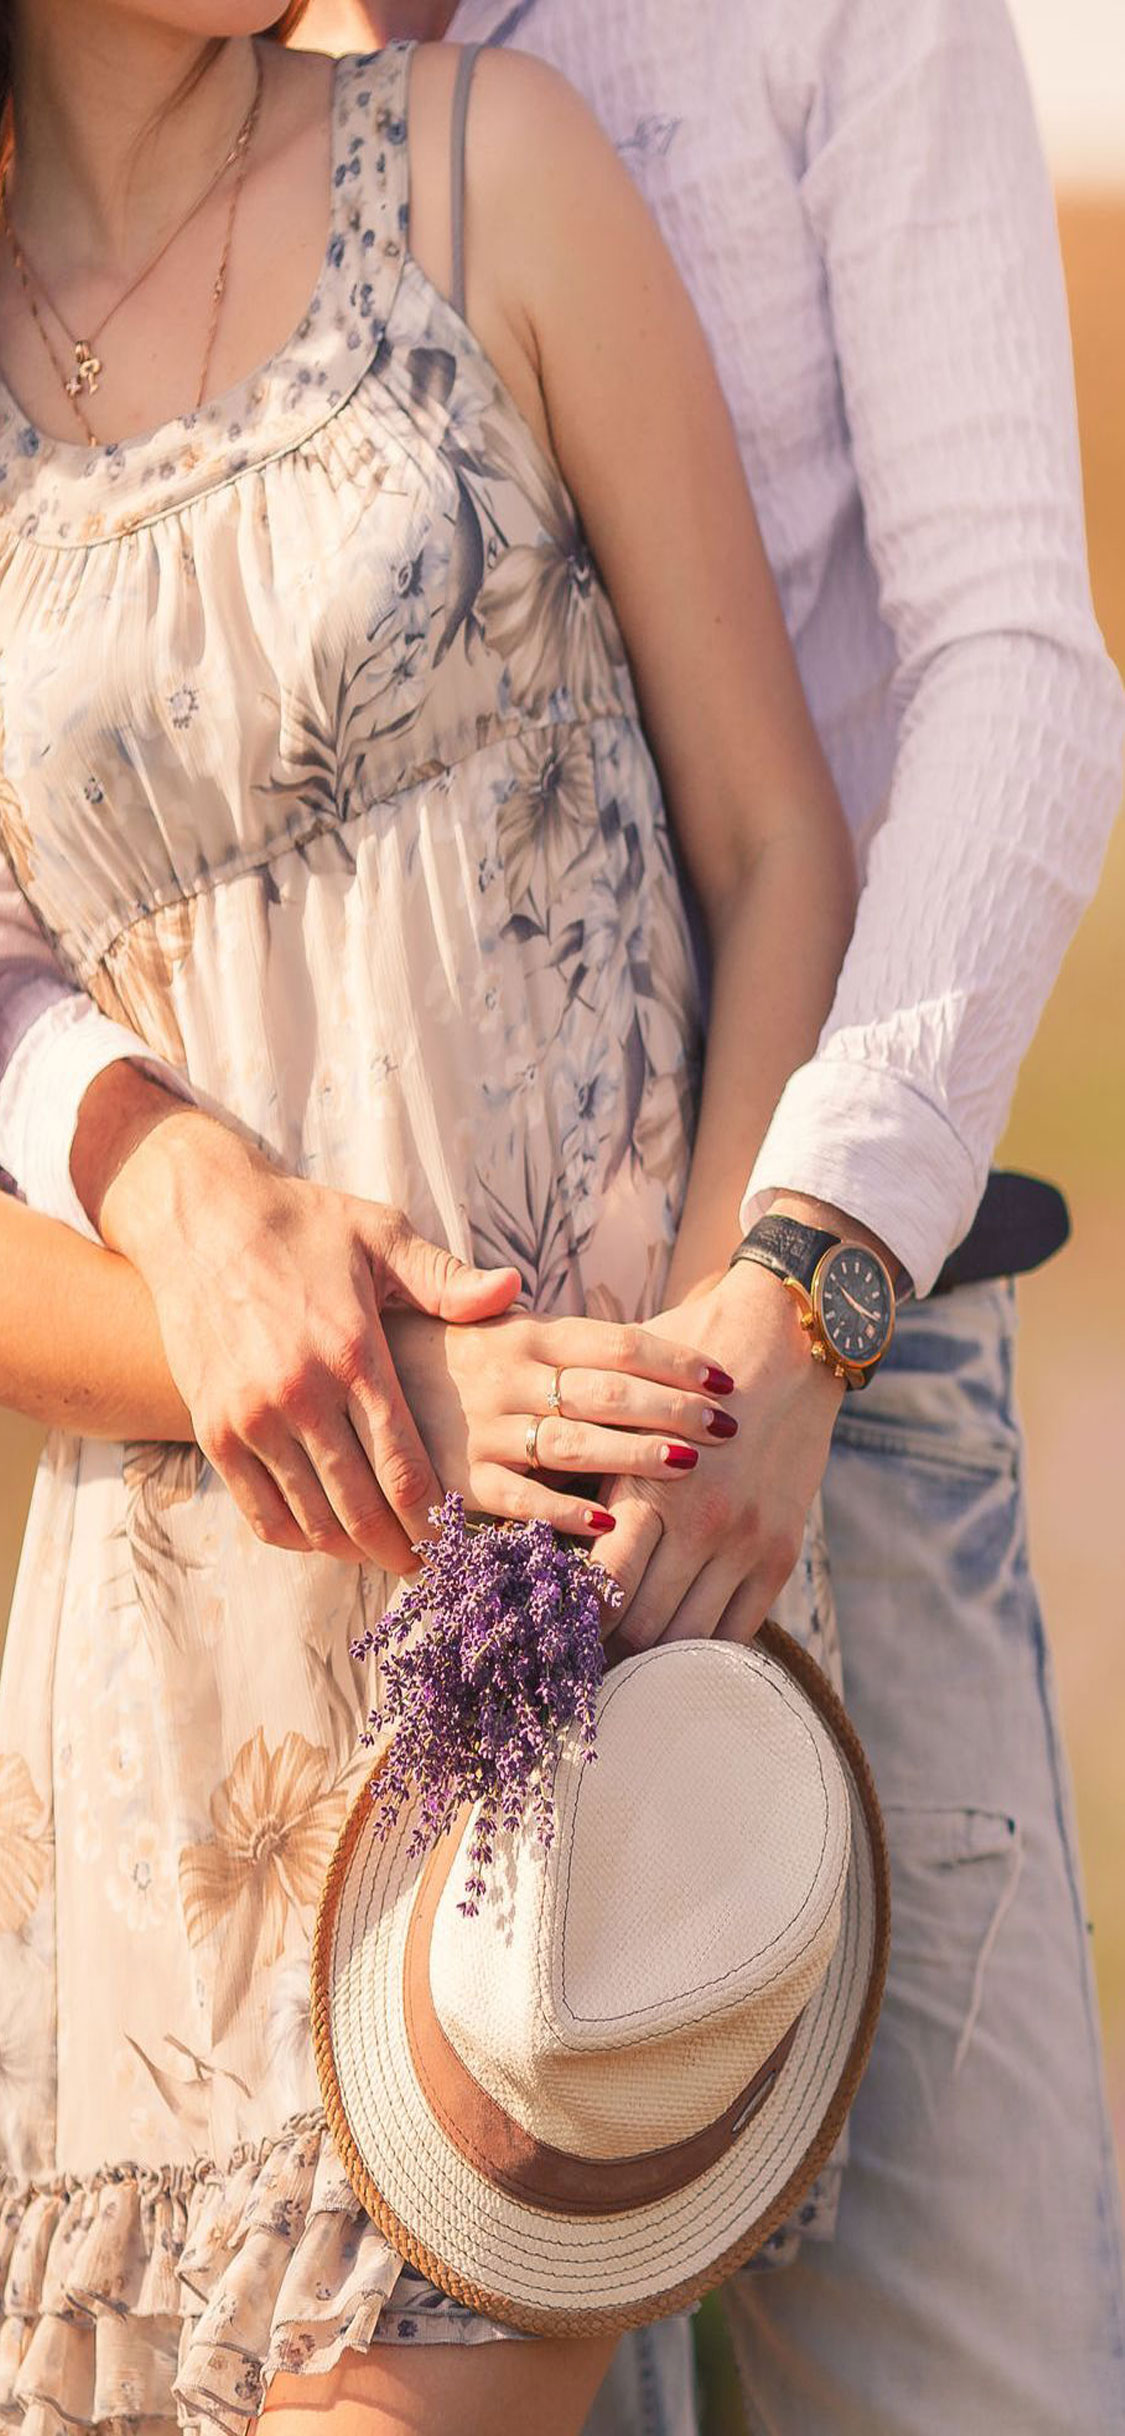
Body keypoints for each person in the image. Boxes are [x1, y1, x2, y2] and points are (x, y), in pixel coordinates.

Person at [2, 5, 1124, 2434]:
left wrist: (771, 1328)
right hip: (260, 1567)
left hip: (778, 1364)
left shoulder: (687, 70)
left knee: (951, 2381)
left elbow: (1005, 684)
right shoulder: (209, 137)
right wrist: (152, 1162)